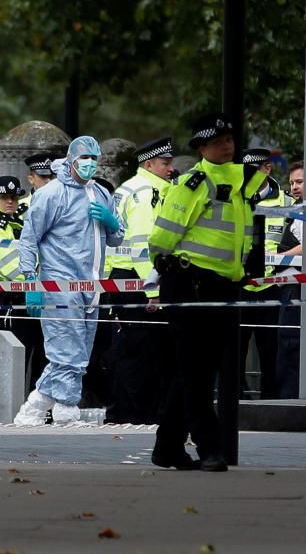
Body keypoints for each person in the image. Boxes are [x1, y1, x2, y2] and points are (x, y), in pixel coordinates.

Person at [149, 113, 266, 472]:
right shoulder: (193, 183)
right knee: (197, 373)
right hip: (189, 283)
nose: (227, 145)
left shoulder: (244, 181)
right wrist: (164, 277)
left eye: (229, 139)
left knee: (197, 372)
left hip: (224, 285)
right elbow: (162, 238)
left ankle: (167, 448)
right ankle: (210, 448)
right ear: (201, 148)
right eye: (217, 141)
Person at [14, 136, 125, 426]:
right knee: (68, 350)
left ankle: (35, 407)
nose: (89, 163)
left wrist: (112, 222)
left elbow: (117, 237)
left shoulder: (101, 193)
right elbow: (29, 240)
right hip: (59, 283)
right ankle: (66, 411)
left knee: (79, 352)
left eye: (94, 158)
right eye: (84, 158)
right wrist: (31, 283)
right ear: (71, 158)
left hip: (92, 285)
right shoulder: (51, 194)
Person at [102, 136, 175, 424]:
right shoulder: (148, 192)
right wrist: (152, 289)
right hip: (138, 278)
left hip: (123, 278)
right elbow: (144, 243)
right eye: (165, 163)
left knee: (131, 347)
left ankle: (123, 411)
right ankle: (134, 414)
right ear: (149, 164)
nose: (170, 168)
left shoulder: (128, 187)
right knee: (142, 351)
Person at [0, 175, 46, 387]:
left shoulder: (20, 222)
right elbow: (11, 268)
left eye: (14, 198)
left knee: (31, 354)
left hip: (21, 299)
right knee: (5, 360)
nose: (10, 202)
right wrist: (36, 282)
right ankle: (4, 413)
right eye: (4, 197)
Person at [238, 149, 289, 399]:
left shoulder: (286, 203)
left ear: (267, 168)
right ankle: (236, 401)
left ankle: (272, 403)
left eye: (252, 171)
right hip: (239, 284)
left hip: (272, 286)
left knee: (271, 351)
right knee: (234, 351)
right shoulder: (235, 198)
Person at [275, 160, 305, 398]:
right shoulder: (298, 208)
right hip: (290, 285)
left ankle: (290, 398)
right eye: (292, 182)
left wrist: (277, 258)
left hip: (297, 286)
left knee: (291, 343)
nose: (294, 187)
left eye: (300, 182)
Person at [18, 152, 56, 219]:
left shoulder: (65, 204)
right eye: (44, 176)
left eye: (52, 177)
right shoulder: (18, 207)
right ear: (31, 179)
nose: (49, 181)